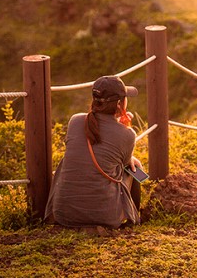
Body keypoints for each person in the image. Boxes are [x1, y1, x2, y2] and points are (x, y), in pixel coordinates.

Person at [45, 75, 143, 228]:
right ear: (119, 103)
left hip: (64, 215)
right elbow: (121, 163)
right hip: (105, 217)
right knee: (135, 168)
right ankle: (134, 216)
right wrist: (125, 126)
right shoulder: (127, 134)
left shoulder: (75, 121)